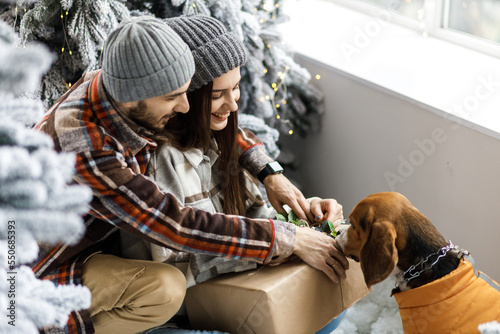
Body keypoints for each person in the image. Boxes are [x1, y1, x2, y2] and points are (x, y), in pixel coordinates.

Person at [33, 16, 348, 334]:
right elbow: (175, 224)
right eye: (173, 97)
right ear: (132, 99)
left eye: (187, 92)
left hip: (87, 248)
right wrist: (284, 239)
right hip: (30, 277)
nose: (184, 105)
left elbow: (216, 122)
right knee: (165, 289)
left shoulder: (125, 75)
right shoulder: (88, 148)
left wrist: (268, 172)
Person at [141, 14, 345, 289]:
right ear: (183, 96)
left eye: (235, 88)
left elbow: (254, 218)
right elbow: (182, 265)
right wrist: (281, 246)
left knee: (328, 290)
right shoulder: (165, 158)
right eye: (217, 95)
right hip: (199, 301)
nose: (233, 105)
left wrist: (308, 217)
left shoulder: (220, 139)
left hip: (240, 283)